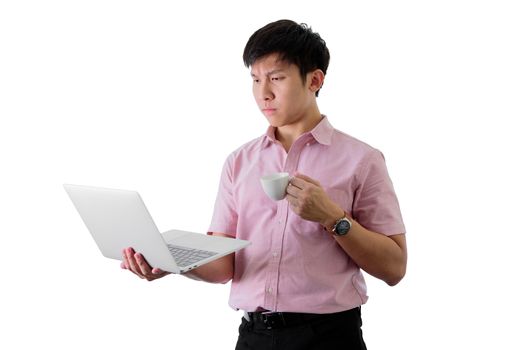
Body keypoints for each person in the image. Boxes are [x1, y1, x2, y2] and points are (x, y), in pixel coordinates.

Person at [121, 19, 407, 350]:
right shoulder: (239, 162)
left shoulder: (361, 160)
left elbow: (395, 268)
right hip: (253, 337)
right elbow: (223, 265)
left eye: (276, 78)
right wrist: (171, 262)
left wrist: (333, 217)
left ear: (314, 80)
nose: (264, 93)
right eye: (255, 80)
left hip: (329, 337)